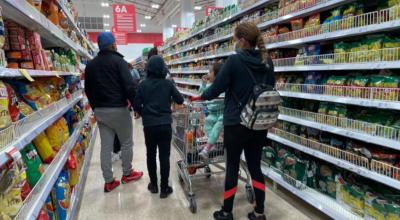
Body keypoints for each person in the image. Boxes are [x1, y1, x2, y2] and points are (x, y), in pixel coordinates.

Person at [192, 22, 275, 220]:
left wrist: (201, 96)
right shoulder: (267, 61)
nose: (234, 43)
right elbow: (270, 87)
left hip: (236, 124)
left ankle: (227, 212)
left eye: (235, 39)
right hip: (258, 123)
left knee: (232, 166)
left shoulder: (234, 61)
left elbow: (216, 88)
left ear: (243, 41)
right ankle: (259, 212)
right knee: (255, 166)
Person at [85, 32, 143, 193]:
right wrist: (138, 107)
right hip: (118, 109)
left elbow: (87, 90)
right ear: (112, 45)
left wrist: (95, 108)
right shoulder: (119, 62)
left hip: (101, 111)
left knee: (106, 146)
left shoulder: (90, 65)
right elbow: (129, 87)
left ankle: (109, 181)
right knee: (126, 142)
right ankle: (127, 173)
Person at [134, 55, 184, 199]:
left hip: (149, 125)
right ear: (163, 68)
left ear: (148, 68)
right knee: (164, 156)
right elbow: (180, 99)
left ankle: (154, 185)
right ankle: (164, 188)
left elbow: (136, 105)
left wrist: (145, 113)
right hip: (165, 124)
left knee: (150, 155)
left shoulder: (143, 84)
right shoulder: (168, 84)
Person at [197, 62, 224, 159]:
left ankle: (208, 147)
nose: (208, 74)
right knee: (207, 125)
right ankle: (212, 143)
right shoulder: (209, 86)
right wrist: (203, 84)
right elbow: (201, 94)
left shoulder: (223, 86)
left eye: (210, 72)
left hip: (222, 113)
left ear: (217, 74)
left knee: (218, 126)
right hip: (212, 113)